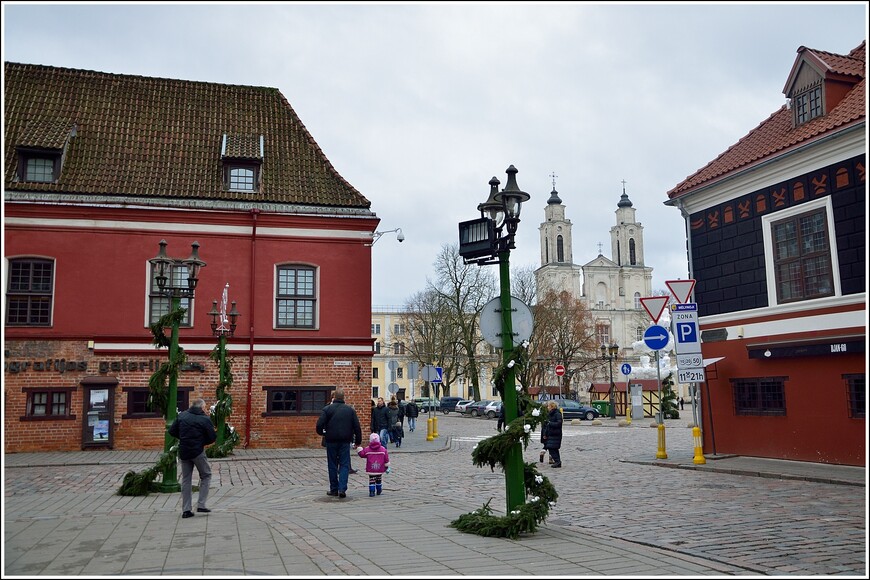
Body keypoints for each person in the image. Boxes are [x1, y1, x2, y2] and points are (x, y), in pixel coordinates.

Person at [169, 398, 217, 518]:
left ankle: (186, 509)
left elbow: (172, 431)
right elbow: (212, 437)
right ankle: (201, 504)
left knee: (186, 479)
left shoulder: (182, 416)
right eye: (205, 407)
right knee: (206, 475)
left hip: (184, 451)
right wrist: (201, 442)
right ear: (201, 407)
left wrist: (183, 438)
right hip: (198, 451)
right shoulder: (205, 419)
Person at [315, 387, 363, 498]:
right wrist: (358, 441)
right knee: (344, 464)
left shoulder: (327, 409)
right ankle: (342, 488)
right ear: (343, 397)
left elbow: (319, 425)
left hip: (331, 440)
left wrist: (322, 433)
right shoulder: (350, 410)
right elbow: (357, 427)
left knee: (332, 464)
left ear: (334, 397)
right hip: (345, 440)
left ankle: (334, 488)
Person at [357, 432, 390, 496]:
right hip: (380, 468)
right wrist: (386, 465)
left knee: (371, 480)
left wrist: (359, 449)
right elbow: (386, 459)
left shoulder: (367, 449)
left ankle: (372, 492)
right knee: (379, 479)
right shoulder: (383, 449)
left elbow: (362, 454)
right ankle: (379, 490)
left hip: (371, 468)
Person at [541, 400, 563, 468]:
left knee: (552, 448)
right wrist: (545, 434)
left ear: (552, 407)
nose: (547, 407)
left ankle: (557, 461)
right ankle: (557, 461)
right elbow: (547, 425)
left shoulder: (557, 414)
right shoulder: (550, 414)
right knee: (553, 448)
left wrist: (550, 423)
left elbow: (559, 423)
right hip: (551, 434)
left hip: (555, 434)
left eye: (548, 406)